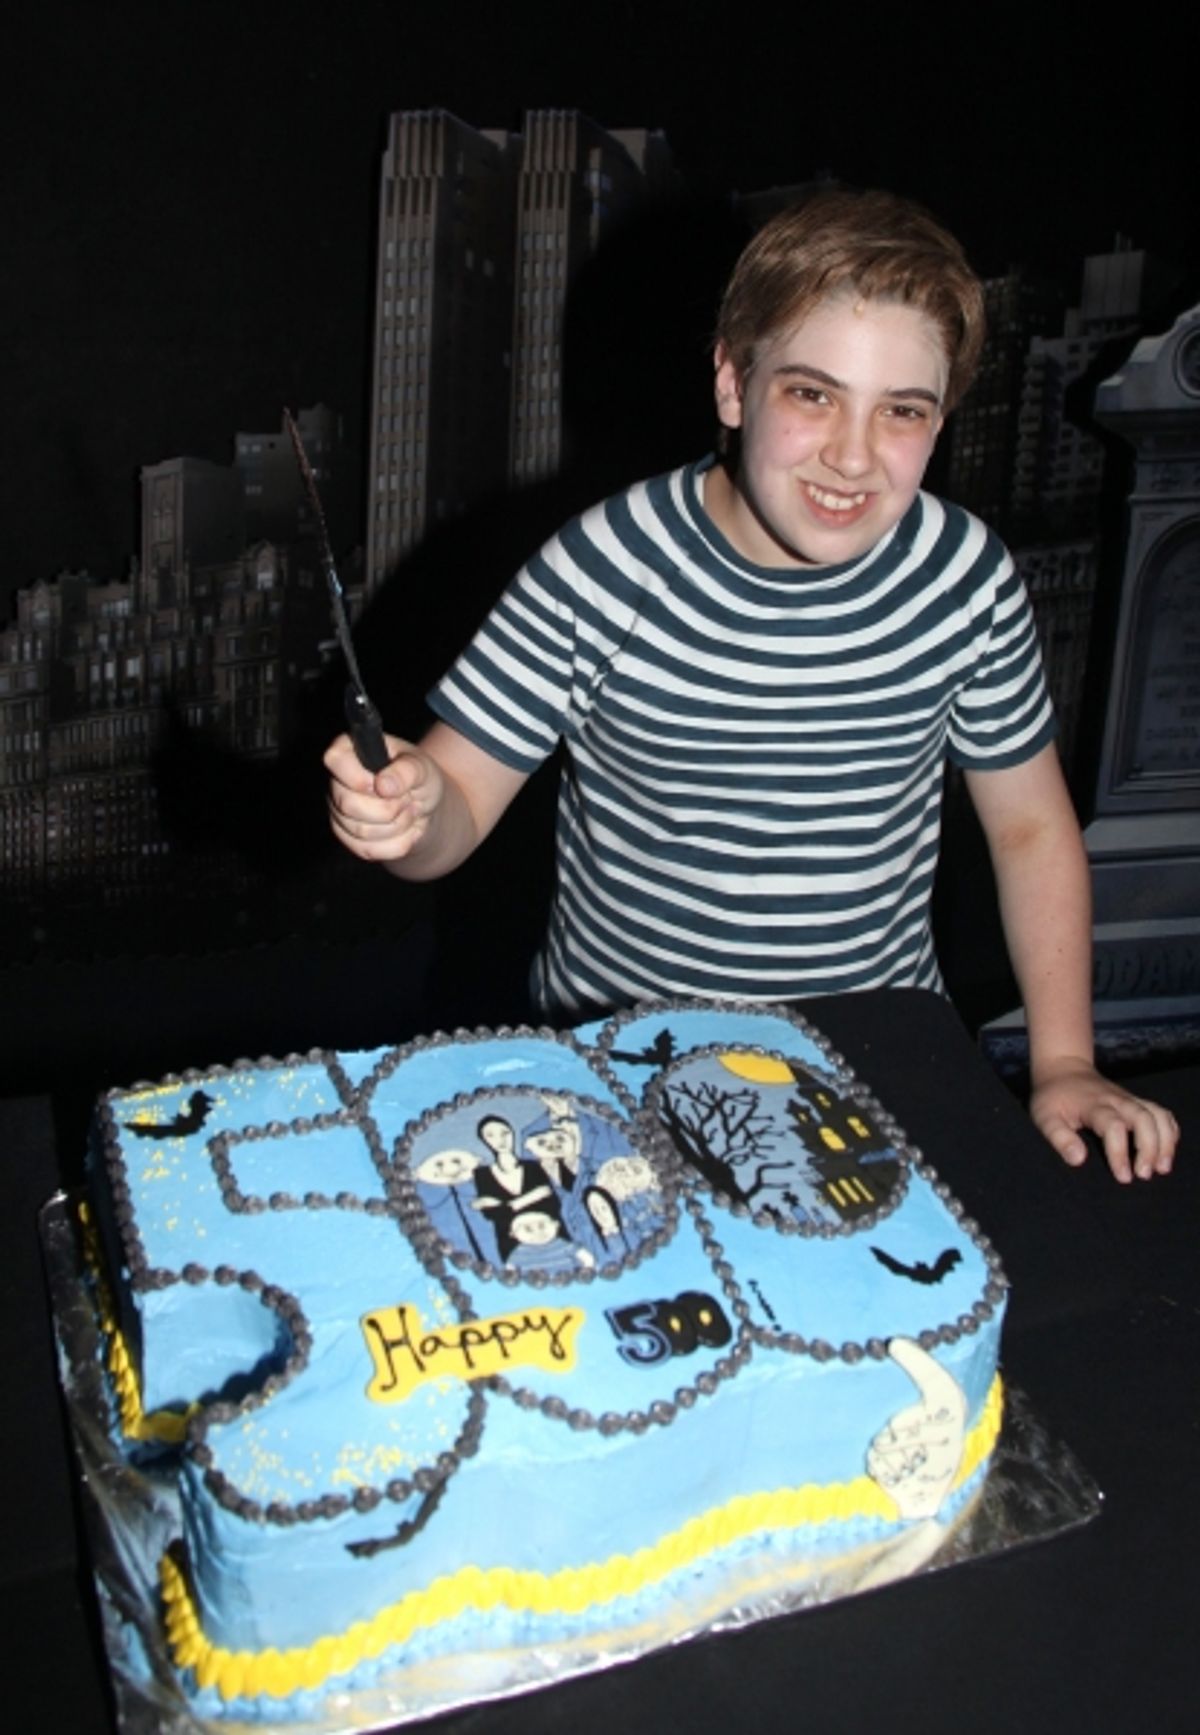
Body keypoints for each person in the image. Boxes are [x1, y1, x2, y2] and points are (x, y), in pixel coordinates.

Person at [326, 186, 1179, 1186]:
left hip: (875, 1063)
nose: (853, 456)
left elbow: (1032, 828)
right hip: (619, 1066)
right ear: (733, 384)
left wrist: (1066, 1061)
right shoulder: (603, 566)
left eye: (902, 411)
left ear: (943, 420)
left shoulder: (964, 577)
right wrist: (409, 812)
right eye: (812, 394)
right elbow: (457, 802)